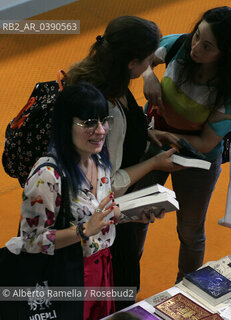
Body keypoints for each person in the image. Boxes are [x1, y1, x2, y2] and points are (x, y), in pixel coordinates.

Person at [5, 83, 156, 320]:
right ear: (66, 125)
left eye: (103, 120)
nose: (101, 130)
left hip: (102, 271)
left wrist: (133, 215)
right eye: (88, 123)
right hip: (66, 277)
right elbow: (31, 241)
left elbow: (100, 218)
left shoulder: (101, 163)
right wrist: (82, 231)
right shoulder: (47, 176)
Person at [66, 16, 181, 310]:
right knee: (115, 293)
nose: (150, 66)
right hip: (99, 224)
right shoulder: (108, 111)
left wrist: (147, 133)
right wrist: (154, 163)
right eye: (148, 61)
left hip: (83, 215)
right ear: (132, 62)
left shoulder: (95, 74)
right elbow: (108, 182)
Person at [142, 6, 231, 282]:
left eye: (207, 46)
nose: (195, 48)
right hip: (153, 143)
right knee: (134, 218)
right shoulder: (178, 45)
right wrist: (148, 75)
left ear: (225, 53)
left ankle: (185, 290)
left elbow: (205, 142)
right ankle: (124, 289)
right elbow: (142, 59)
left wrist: (163, 138)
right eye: (196, 37)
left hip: (196, 161)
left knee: (190, 231)